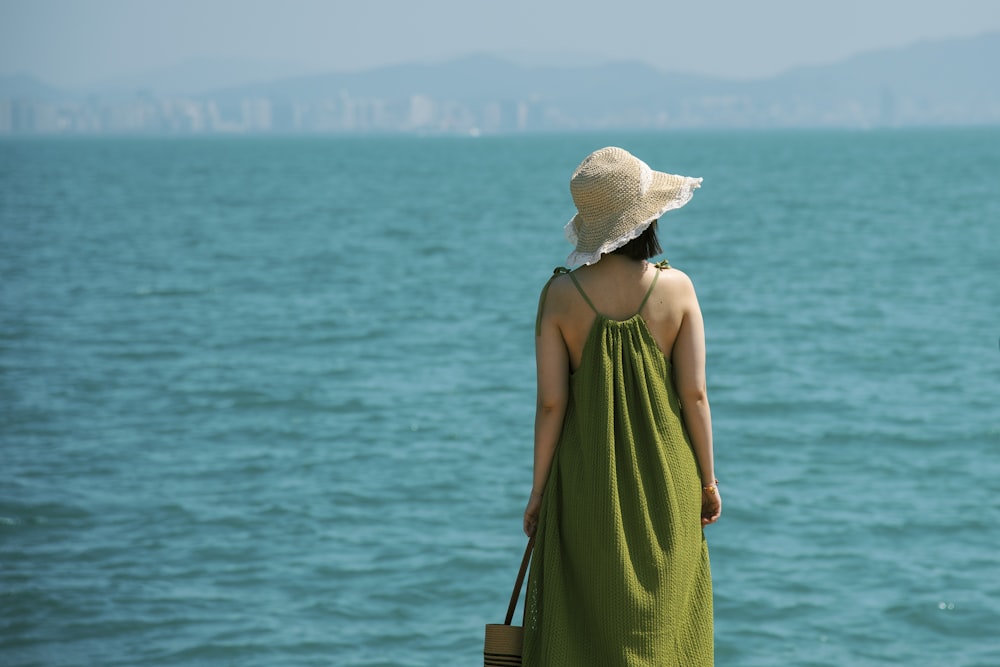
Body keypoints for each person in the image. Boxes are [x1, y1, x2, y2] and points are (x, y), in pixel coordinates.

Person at [521, 146, 720, 666]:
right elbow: (695, 394)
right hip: (669, 484)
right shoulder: (677, 290)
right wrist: (707, 482)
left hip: (587, 485)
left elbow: (550, 404)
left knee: (587, 630)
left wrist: (539, 492)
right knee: (665, 631)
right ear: (648, 217)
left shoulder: (560, 296)